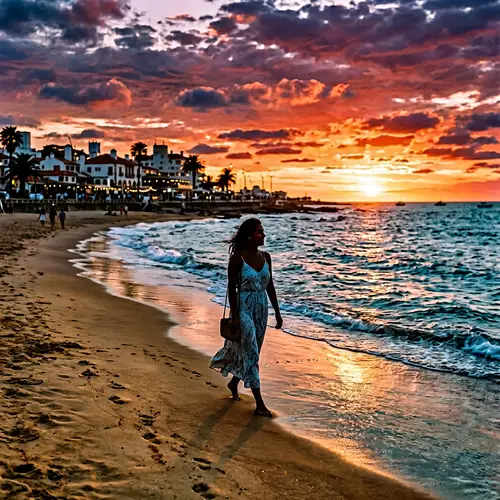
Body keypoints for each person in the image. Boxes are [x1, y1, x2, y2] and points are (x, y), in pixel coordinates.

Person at [210, 218, 283, 417]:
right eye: (260, 232)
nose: (264, 235)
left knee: (254, 351)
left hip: (261, 309)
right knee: (250, 351)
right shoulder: (237, 259)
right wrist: (235, 317)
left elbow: (270, 286)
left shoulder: (266, 257)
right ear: (250, 235)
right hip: (242, 308)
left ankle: (234, 382)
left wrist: (277, 312)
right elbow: (231, 289)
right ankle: (259, 403)